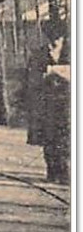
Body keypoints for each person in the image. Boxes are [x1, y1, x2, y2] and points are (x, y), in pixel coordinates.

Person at [25, 23, 70, 182]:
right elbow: (31, 80)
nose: (54, 42)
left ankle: (65, 170)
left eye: (57, 38)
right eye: (51, 38)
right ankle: (52, 170)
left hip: (68, 104)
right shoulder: (39, 55)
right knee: (49, 137)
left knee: (66, 137)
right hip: (47, 104)